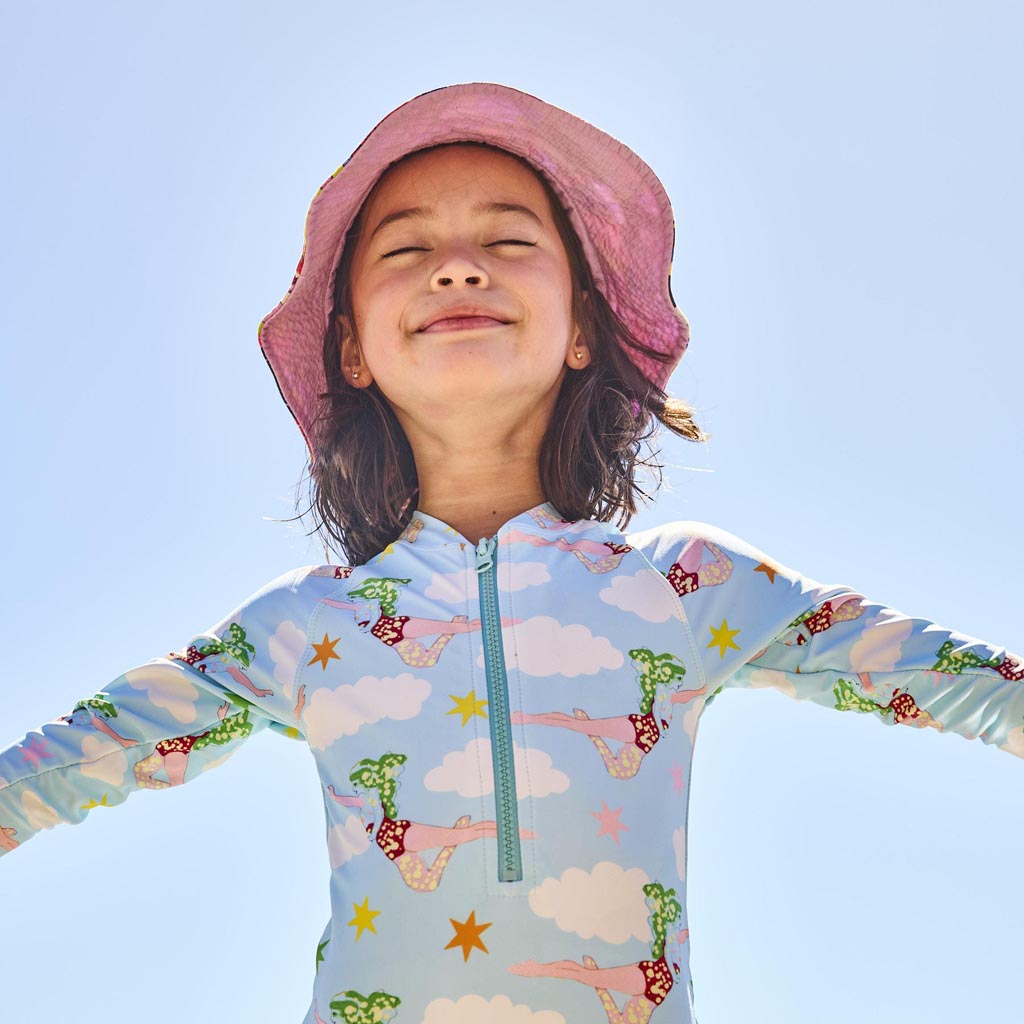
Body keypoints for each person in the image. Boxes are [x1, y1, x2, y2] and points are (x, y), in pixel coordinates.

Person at [1, 82, 1020, 1024]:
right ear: (352, 347)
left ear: (580, 327)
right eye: (404, 250)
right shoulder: (302, 626)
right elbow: (74, 758)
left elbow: (946, 678)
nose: (456, 265)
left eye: (506, 237)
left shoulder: (685, 586)